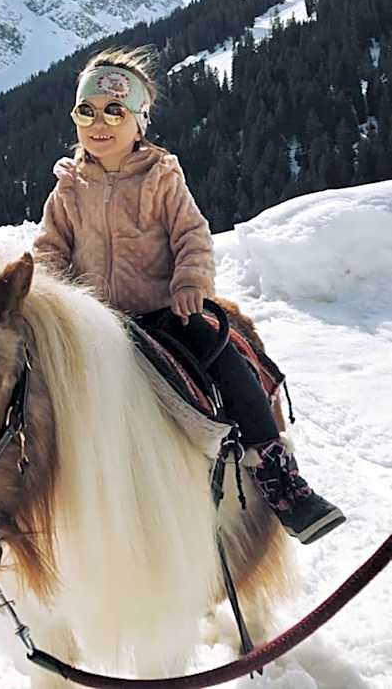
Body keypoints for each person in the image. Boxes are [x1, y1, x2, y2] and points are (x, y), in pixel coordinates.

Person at [32, 45, 345, 545]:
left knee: (224, 357)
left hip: (162, 312)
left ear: (139, 121)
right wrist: (54, 299)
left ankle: (275, 469)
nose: (98, 122)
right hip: (94, 322)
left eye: (115, 110)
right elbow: (50, 251)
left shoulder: (161, 178)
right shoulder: (68, 189)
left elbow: (192, 237)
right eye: (85, 111)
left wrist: (189, 284)